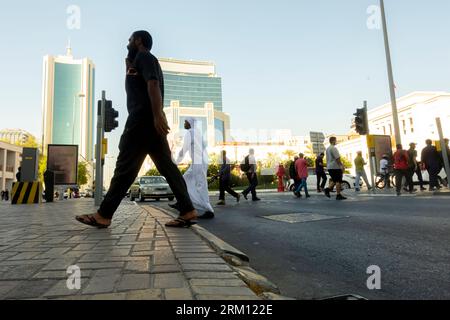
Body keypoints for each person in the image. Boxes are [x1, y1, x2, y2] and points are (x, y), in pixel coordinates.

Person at [75, 30, 197, 229]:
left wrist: (158, 114)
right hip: (149, 123)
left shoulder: (145, 57)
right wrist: (129, 65)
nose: (127, 43)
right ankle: (188, 210)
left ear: (139, 41)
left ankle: (103, 215)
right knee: (167, 167)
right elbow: (142, 83)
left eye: (130, 40)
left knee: (124, 169)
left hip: (141, 121)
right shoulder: (138, 61)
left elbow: (153, 83)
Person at [176, 118, 215, 220]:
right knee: (184, 179)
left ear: (189, 123)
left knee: (200, 184)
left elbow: (183, 150)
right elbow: (204, 145)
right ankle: (183, 202)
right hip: (198, 162)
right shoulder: (197, 132)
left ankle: (209, 210)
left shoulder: (190, 132)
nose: (184, 123)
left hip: (198, 162)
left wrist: (175, 162)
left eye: (185, 122)